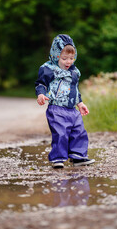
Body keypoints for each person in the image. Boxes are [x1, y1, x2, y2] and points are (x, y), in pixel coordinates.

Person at [35, 34, 95, 169]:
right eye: (64, 58)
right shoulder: (49, 69)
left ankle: (78, 157)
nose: (68, 62)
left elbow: (75, 90)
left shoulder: (74, 72)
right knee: (61, 133)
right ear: (56, 56)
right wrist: (41, 94)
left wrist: (80, 104)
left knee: (79, 131)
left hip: (72, 110)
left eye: (71, 58)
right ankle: (58, 158)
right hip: (56, 109)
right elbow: (41, 84)